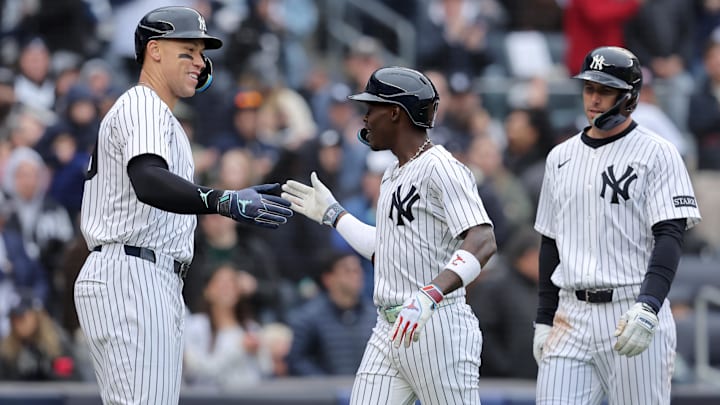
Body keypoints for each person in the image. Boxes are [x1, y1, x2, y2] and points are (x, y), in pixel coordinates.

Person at [73, 7, 293, 405]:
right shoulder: (143, 103)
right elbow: (148, 179)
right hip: (132, 274)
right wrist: (222, 200)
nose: (199, 62)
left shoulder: (164, 117)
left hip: (144, 274)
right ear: (154, 50)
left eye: (201, 54)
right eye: (188, 51)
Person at [282, 66, 497, 405]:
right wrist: (334, 214)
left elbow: (484, 240)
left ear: (396, 113)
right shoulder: (392, 174)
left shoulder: (441, 166)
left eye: (372, 108)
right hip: (389, 327)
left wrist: (431, 294)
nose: (364, 117)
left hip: (436, 325)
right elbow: (385, 250)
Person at [532, 46, 702, 404]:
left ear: (630, 98)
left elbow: (669, 236)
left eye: (605, 90)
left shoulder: (658, 152)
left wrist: (649, 305)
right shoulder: (560, 157)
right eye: (589, 88)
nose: (594, 99)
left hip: (630, 306)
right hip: (571, 313)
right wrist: (544, 318)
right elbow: (550, 242)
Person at [285, 251, 376, 376]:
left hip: (369, 391)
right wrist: (324, 385)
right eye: (347, 270)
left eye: (358, 270)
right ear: (328, 278)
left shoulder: (375, 315)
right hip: (324, 394)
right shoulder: (308, 317)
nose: (356, 275)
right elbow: (297, 360)